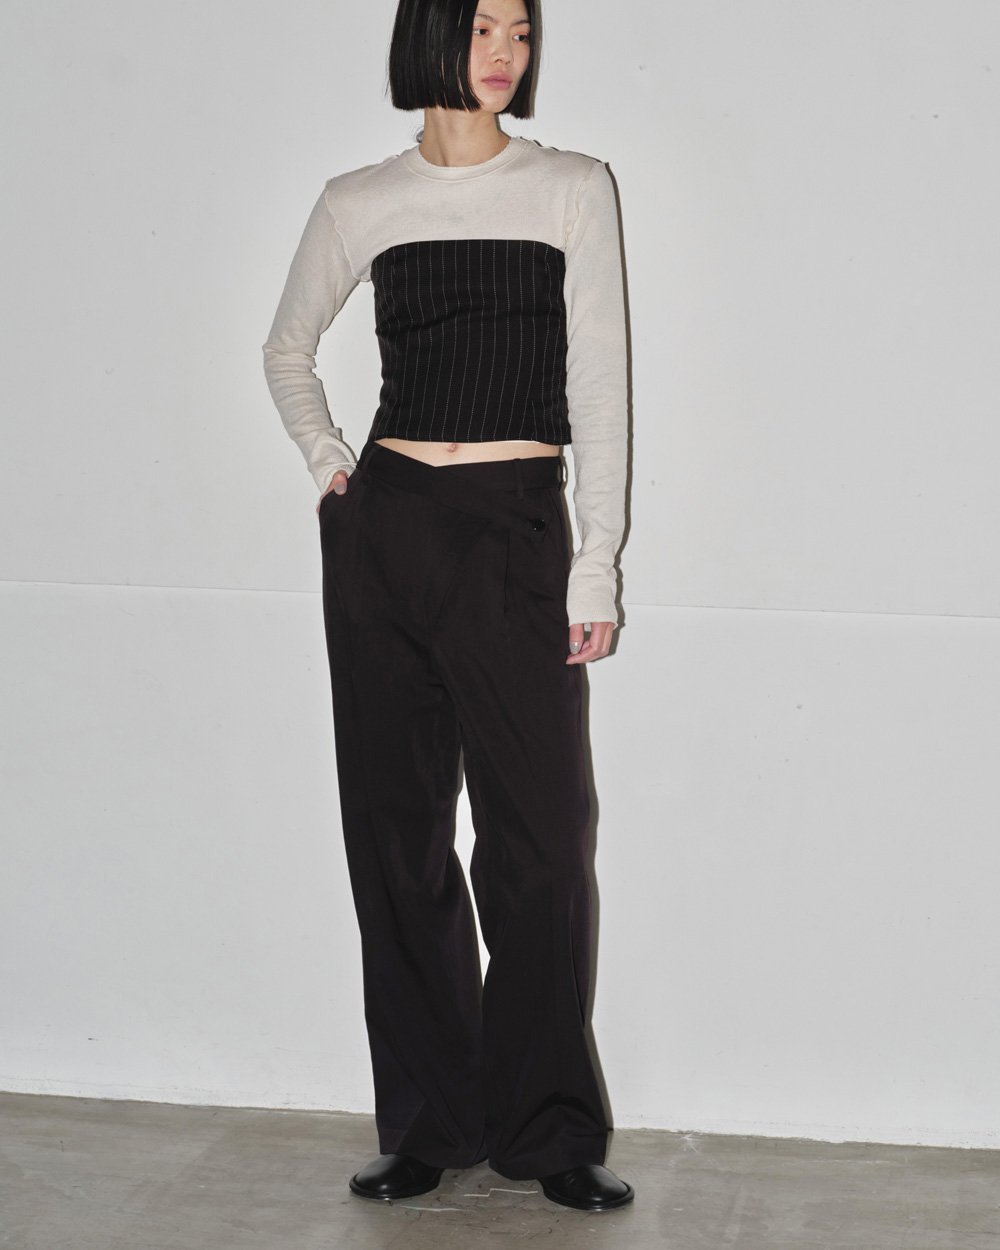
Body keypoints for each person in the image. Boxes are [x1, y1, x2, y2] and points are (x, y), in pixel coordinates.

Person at [262, 0, 632, 1214]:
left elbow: (600, 384)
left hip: (517, 527)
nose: (505, 53)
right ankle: (429, 1119)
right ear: (428, 36)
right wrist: (332, 466)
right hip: (389, 529)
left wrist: (596, 562)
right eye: (482, 28)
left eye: (519, 31)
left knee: (542, 841)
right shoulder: (360, 199)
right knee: (397, 832)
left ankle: (550, 1129)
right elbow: (285, 349)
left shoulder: (570, 186)